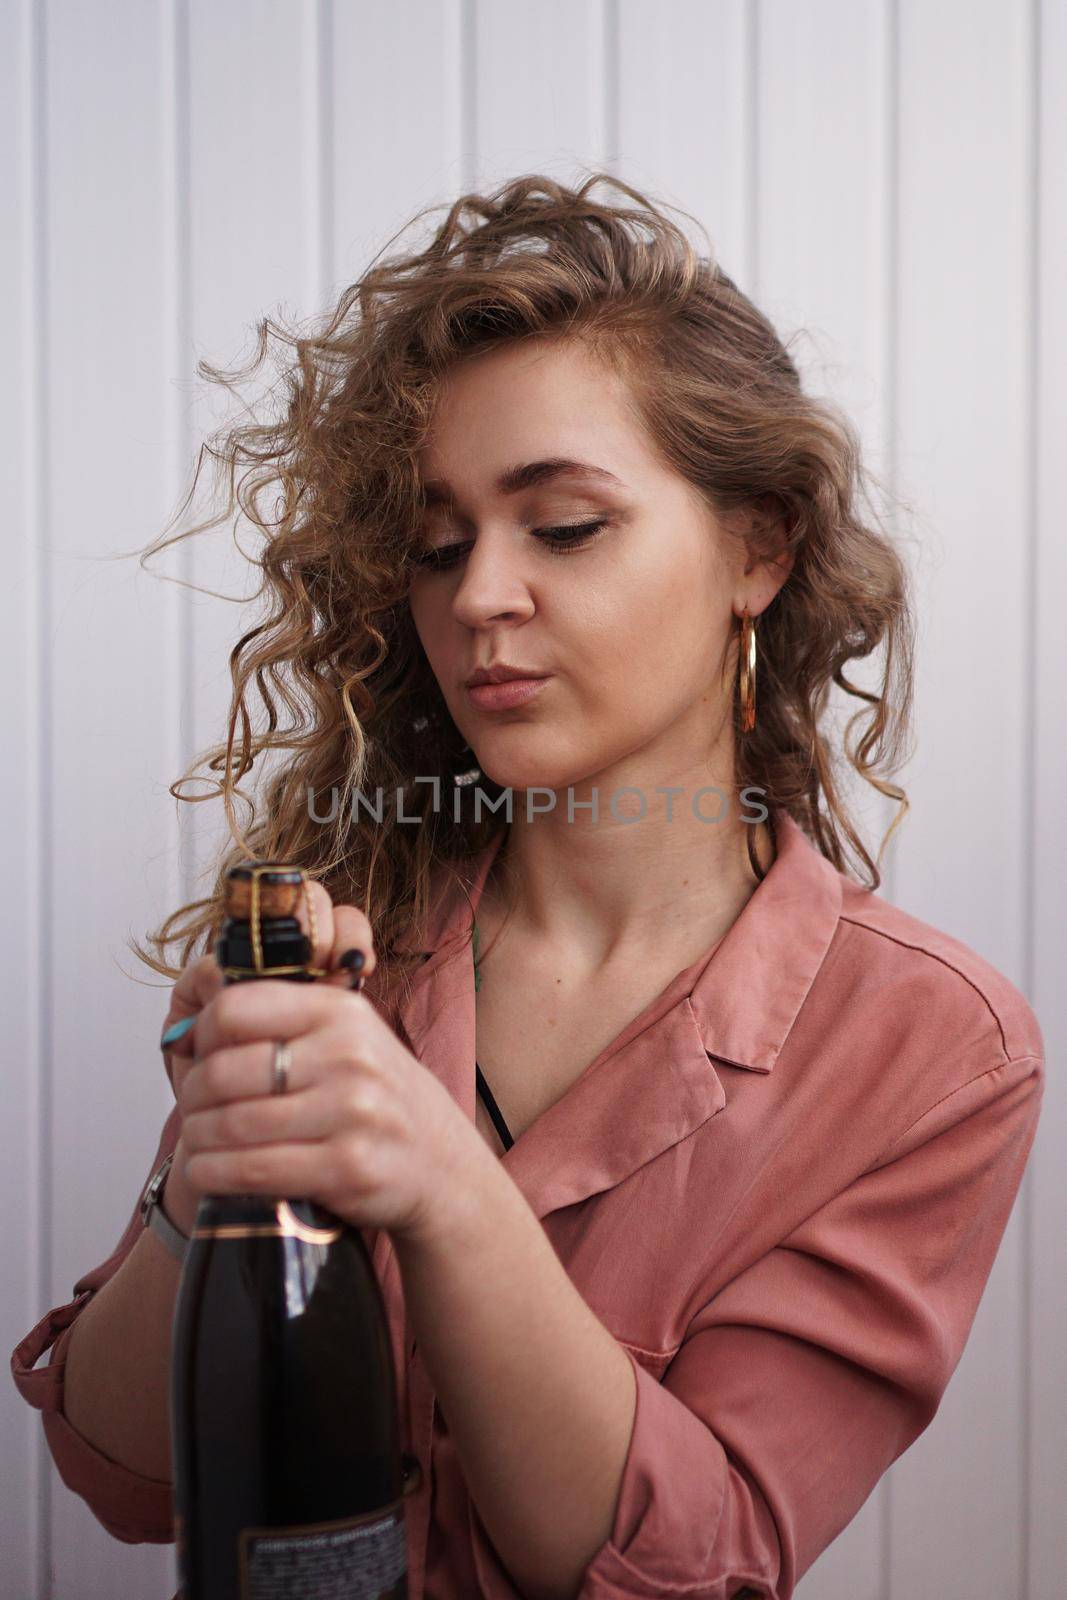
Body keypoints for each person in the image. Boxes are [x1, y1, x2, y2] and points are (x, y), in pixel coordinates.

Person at [11, 172, 1044, 1600]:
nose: (479, 595)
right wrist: (213, 1166)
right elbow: (121, 1478)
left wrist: (442, 1185)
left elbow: (705, 1565)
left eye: (562, 526)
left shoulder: (931, 1049)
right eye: (438, 547)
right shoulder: (345, 947)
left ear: (759, 548)